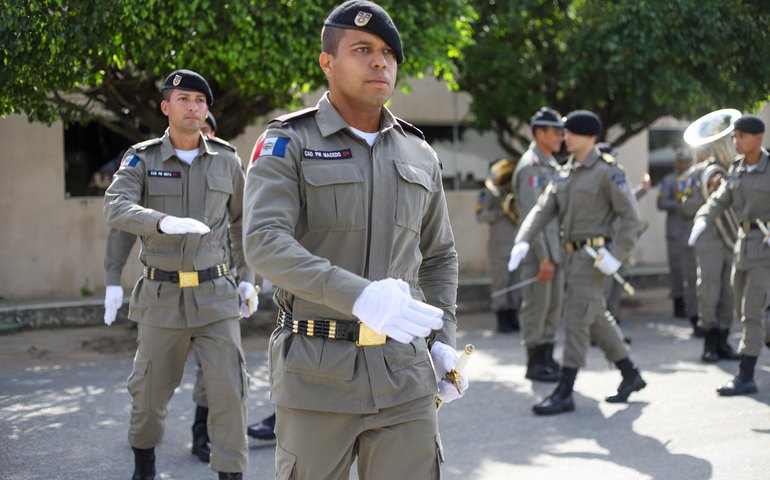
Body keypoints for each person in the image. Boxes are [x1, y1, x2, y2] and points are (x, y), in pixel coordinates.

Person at [242, 1, 466, 478]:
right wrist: (360, 295)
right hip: (317, 373)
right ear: (327, 62)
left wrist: (443, 339)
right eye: (362, 49)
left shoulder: (419, 152)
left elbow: (440, 257)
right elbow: (264, 242)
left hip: (405, 374)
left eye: (387, 52)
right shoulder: (289, 142)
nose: (380, 61)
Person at [104, 69, 258, 480]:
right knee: (150, 394)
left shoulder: (227, 159)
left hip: (216, 295)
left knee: (229, 393)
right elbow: (115, 207)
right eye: (184, 99)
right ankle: (145, 468)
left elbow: (243, 222)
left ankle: (230, 473)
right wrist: (160, 222)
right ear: (166, 107)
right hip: (161, 295)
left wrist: (247, 277)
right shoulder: (142, 157)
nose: (193, 107)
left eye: (200, 101)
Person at [507, 110, 647, 415]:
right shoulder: (565, 172)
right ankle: (630, 373)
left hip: (594, 259)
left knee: (574, 320)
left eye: (571, 133)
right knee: (594, 315)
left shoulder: (609, 172)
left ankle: (565, 390)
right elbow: (542, 210)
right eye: (564, 132)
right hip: (570, 257)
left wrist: (617, 255)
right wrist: (523, 240)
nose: (565, 137)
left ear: (590, 138)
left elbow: (631, 218)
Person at [688, 115, 769, 396]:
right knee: (739, 308)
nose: (735, 141)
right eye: (734, 136)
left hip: (765, 247)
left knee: (751, 312)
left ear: (758, 138)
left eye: (741, 136)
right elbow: (720, 199)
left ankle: (746, 376)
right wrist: (702, 219)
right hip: (742, 245)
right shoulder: (736, 169)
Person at [510, 107, 564, 382]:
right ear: (540, 133)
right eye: (555, 131)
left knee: (553, 306)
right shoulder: (531, 165)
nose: (561, 136)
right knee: (536, 306)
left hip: (556, 251)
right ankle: (534, 362)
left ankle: (547, 357)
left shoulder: (552, 165)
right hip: (539, 252)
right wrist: (544, 257)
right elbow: (532, 216)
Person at [680, 147, 739, 360]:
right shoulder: (693, 175)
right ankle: (709, 341)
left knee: (729, 290)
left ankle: (724, 338)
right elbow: (685, 206)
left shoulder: (735, 169)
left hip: (732, 237)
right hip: (709, 239)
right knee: (708, 288)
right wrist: (710, 195)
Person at [597, 142, 652, 329]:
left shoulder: (613, 176)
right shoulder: (601, 179)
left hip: (617, 243)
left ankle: (612, 324)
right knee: (604, 288)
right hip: (604, 243)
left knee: (616, 285)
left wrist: (643, 189)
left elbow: (627, 200)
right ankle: (601, 328)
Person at [475, 157, 520, 333]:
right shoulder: (487, 193)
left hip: (514, 244)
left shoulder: (513, 193)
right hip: (499, 245)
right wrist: (502, 211)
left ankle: (513, 316)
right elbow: (480, 216)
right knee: (501, 281)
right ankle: (502, 320)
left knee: (516, 281)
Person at [657, 150, 698, 323]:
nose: (686, 164)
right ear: (677, 163)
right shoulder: (668, 181)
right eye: (683, 161)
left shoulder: (695, 179)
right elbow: (661, 203)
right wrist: (681, 204)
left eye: (689, 161)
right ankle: (678, 304)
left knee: (692, 270)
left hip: (691, 231)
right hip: (675, 231)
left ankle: (692, 306)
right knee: (677, 270)